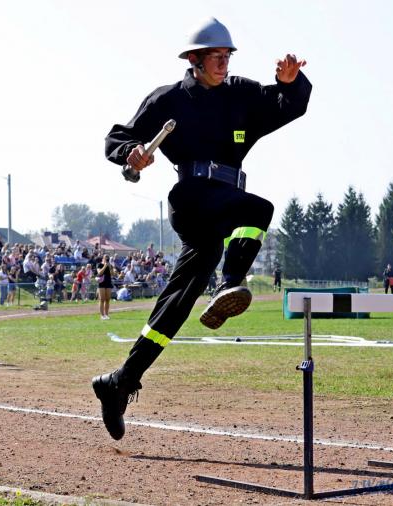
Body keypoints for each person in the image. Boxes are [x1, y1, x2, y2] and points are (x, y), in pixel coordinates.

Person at [92, 17, 311, 440]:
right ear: (194, 60)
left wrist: (290, 83)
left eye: (228, 56)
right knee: (259, 209)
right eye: (216, 57)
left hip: (224, 204)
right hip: (191, 200)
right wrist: (132, 152)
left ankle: (120, 381)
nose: (224, 64)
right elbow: (117, 137)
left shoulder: (242, 94)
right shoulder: (168, 99)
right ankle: (230, 284)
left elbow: (288, 105)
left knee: (177, 303)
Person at [96, 255, 114, 320]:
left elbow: (112, 274)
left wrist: (110, 267)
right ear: (103, 258)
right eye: (105, 257)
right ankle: (102, 315)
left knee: (108, 299)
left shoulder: (110, 265)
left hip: (108, 282)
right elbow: (99, 273)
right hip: (101, 283)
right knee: (102, 299)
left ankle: (106, 315)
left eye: (107, 258)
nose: (107, 259)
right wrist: (105, 266)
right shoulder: (99, 265)